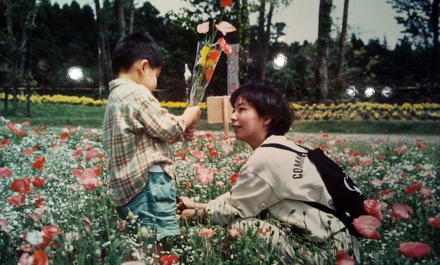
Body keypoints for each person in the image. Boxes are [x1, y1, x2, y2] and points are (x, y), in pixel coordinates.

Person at [178, 83, 359, 264]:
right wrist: (197, 204)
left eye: (242, 110)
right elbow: (241, 199)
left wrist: (194, 216)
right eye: (234, 110)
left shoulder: (267, 158)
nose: (233, 117)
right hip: (343, 247)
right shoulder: (284, 147)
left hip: (328, 254)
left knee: (243, 228)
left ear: (266, 118)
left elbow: (233, 211)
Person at [102, 31, 201, 259]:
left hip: (128, 189)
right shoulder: (138, 93)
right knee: (157, 246)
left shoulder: (116, 97)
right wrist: (188, 116)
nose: (155, 84)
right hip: (149, 184)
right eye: (156, 76)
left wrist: (180, 128)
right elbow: (166, 128)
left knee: (140, 244)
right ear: (143, 67)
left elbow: (151, 130)